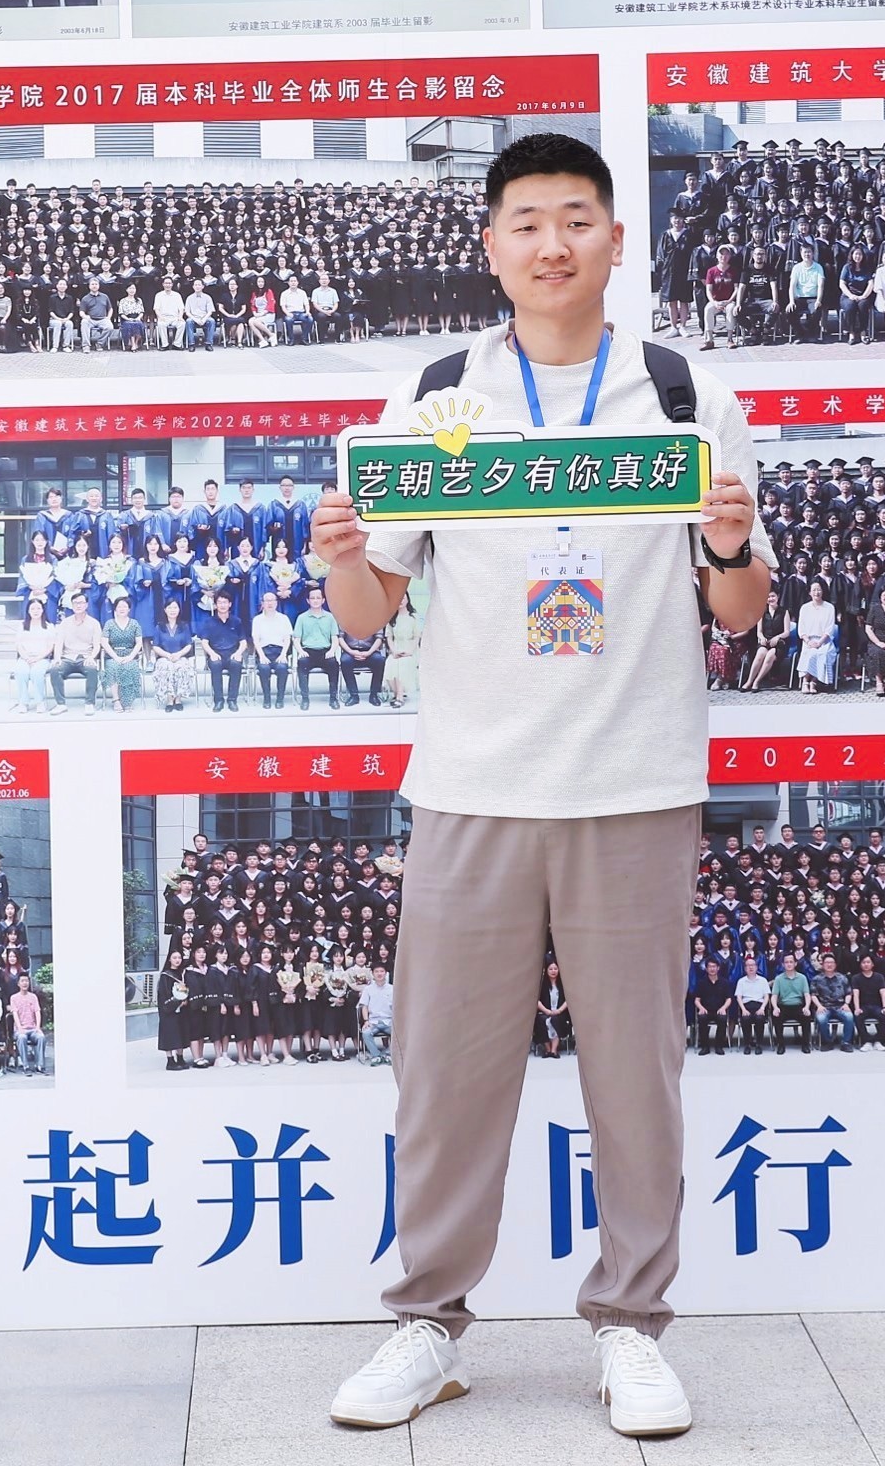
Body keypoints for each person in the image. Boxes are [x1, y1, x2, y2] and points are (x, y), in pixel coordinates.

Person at [319, 133, 770, 1438]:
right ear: (491, 246)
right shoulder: (437, 400)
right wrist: (340, 552)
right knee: (446, 1080)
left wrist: (731, 544)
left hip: (633, 788)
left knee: (637, 1080)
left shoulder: (681, 396)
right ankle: (428, 1322)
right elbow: (366, 611)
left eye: (578, 219)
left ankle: (631, 1327)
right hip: (472, 790)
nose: (552, 244)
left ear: (617, 241)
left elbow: (741, 610)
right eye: (526, 222)